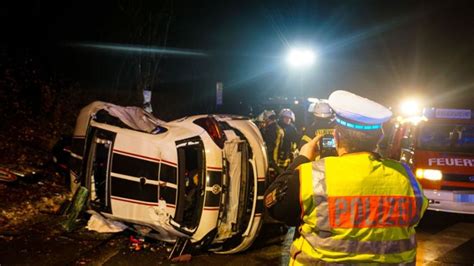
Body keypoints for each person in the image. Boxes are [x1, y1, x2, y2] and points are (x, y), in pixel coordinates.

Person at [264, 90, 428, 265]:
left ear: (336, 136)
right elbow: (416, 216)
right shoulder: (406, 177)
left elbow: (274, 207)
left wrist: (301, 159)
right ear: (379, 138)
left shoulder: (312, 175)